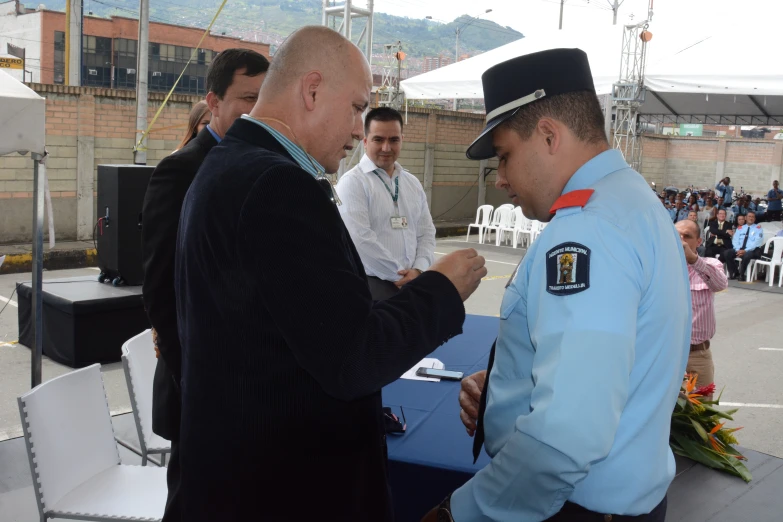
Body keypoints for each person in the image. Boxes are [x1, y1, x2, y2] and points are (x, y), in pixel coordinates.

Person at [175, 26, 487, 522]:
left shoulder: (230, 166)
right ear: (312, 89)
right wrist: (441, 289)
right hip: (285, 491)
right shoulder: (277, 186)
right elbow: (354, 356)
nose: (357, 130)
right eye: (357, 108)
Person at [422, 49, 690, 522]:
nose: (501, 179)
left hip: (573, 508)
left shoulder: (586, 232)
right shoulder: (631, 202)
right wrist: (515, 384)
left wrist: (462, 513)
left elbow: (566, 434)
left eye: (504, 156)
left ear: (548, 135)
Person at [140, 48, 270, 522]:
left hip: (254, 391)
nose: (257, 110)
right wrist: (193, 380)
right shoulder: (179, 171)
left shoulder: (270, 168)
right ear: (213, 102)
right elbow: (158, 290)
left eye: (265, 98)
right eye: (247, 98)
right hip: (198, 390)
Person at [336, 107, 436, 300]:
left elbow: (426, 233)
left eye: (393, 140)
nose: (386, 148)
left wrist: (418, 269)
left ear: (402, 140)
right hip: (372, 287)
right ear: (365, 142)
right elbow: (360, 240)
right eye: (378, 139)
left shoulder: (412, 183)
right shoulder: (353, 183)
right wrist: (399, 275)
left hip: (412, 283)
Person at [675, 219, 727, 398]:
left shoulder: (710, 264)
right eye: (676, 235)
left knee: (702, 413)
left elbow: (720, 285)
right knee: (667, 415)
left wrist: (692, 259)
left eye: (687, 236)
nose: (680, 240)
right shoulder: (658, 267)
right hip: (667, 353)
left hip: (697, 354)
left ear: (698, 242)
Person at [723, 211, 765, 280]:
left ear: (754, 219)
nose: (751, 218)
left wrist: (745, 250)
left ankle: (741, 274)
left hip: (752, 250)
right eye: (749, 216)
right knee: (727, 253)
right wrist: (738, 250)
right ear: (745, 218)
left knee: (747, 255)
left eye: (752, 217)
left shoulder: (758, 229)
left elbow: (757, 242)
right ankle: (734, 272)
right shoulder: (740, 228)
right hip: (739, 248)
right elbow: (735, 240)